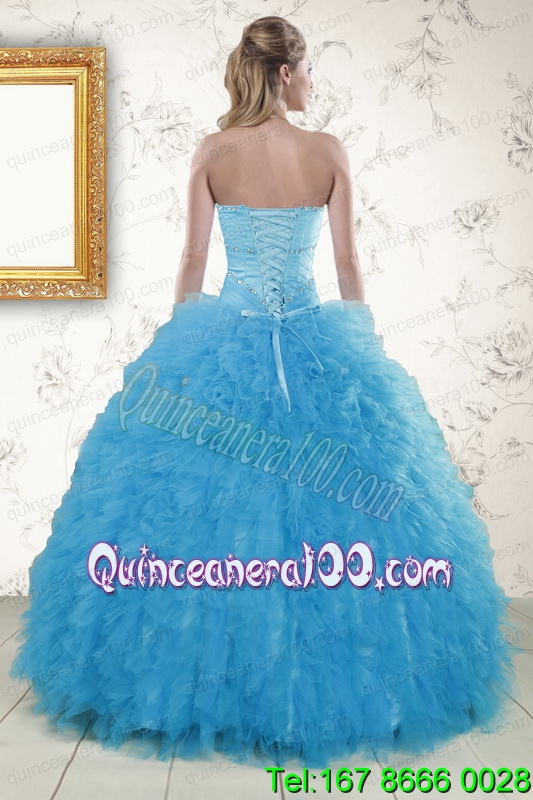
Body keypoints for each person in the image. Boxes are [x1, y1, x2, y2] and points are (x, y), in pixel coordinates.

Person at [10, 16, 520, 769]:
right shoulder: (327, 151)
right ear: (284, 72)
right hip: (317, 337)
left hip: (225, 334)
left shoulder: (213, 152)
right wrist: (361, 347)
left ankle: (201, 676)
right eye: (308, 68)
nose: (312, 81)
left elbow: (192, 258)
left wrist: (180, 344)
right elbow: (347, 264)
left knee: (195, 513)